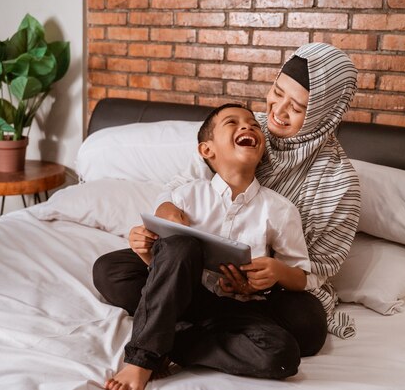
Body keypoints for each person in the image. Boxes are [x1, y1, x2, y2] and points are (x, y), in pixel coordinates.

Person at [94, 42, 361, 342]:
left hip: (267, 289)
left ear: (323, 116)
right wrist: (166, 213)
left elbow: (314, 271)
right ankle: (221, 327)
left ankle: (182, 320)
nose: (278, 111)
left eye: (297, 108)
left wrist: (262, 283)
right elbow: (181, 186)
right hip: (192, 269)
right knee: (110, 270)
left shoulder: (338, 183)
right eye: (277, 92)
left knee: (308, 325)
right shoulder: (245, 126)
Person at [99, 104, 321, 390]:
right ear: (207, 150)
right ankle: (142, 358)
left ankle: (170, 340)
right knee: (114, 268)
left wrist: (275, 272)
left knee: (281, 354)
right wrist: (145, 250)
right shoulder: (186, 195)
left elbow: (302, 275)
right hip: (184, 291)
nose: (248, 126)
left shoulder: (280, 209)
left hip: (234, 309)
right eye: (233, 122)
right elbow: (166, 261)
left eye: (253, 124)